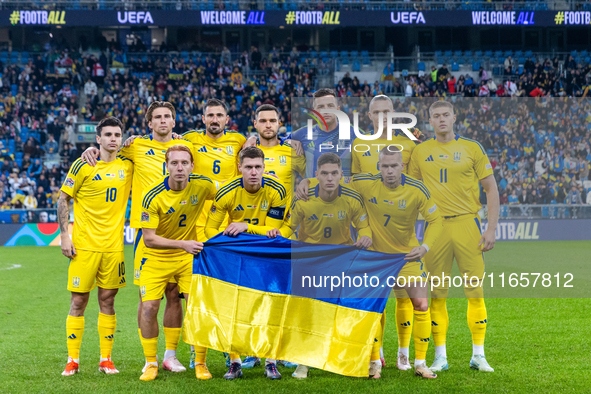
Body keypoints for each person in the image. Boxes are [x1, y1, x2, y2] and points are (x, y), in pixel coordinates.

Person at [82, 101, 195, 374]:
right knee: (148, 301)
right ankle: (150, 359)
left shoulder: (184, 148)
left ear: (174, 120)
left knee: (174, 296)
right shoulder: (134, 146)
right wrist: (90, 148)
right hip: (149, 235)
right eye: (158, 117)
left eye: (168, 116)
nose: (163, 121)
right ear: (149, 123)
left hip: (181, 233)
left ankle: (170, 355)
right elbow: (108, 150)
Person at [407, 100, 499, 373]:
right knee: (438, 294)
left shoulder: (472, 148)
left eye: (446, 114)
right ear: (430, 121)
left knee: (475, 291)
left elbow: (491, 190)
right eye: (436, 115)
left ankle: (478, 355)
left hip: (467, 225)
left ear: (454, 117)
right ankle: (440, 356)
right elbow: (412, 194)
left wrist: (491, 228)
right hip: (434, 229)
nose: (442, 119)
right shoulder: (420, 152)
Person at [351, 146, 442, 379]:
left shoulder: (417, 188)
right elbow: (330, 180)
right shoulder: (364, 182)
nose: (390, 171)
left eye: (394, 166)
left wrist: (424, 247)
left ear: (402, 166)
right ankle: (374, 363)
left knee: (421, 304)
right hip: (375, 258)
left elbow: (436, 220)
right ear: (379, 167)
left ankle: (419, 363)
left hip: (407, 258)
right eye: (385, 166)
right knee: (374, 309)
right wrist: (305, 183)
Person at [58, 117, 133, 376]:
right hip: (84, 246)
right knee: (78, 301)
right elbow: (63, 199)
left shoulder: (129, 164)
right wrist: (65, 236)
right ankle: (73, 360)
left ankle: (106, 360)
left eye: (117, 134)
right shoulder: (83, 165)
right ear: (97, 139)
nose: (113, 138)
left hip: (113, 248)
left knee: (108, 301)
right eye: (108, 134)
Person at [204, 146, 288, 380]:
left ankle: (271, 362)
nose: (253, 172)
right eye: (248, 167)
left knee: (271, 307)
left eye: (258, 167)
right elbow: (210, 229)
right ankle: (235, 362)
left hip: (266, 255)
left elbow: (274, 231)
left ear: (264, 168)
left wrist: (244, 227)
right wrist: (232, 240)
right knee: (233, 309)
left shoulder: (277, 190)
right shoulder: (226, 192)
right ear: (239, 167)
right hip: (238, 256)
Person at [289, 152, 372, 379]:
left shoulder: (352, 198)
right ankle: (302, 362)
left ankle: (342, 357)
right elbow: (288, 228)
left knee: (341, 312)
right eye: (324, 173)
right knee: (308, 312)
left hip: (340, 263)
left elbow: (364, 227)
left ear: (341, 175)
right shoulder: (304, 198)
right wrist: (276, 238)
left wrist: (365, 236)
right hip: (308, 263)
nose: (329, 178)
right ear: (316, 175)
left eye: (334, 173)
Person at [138, 145, 217, 381]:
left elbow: (229, 194)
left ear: (192, 166)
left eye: (184, 163)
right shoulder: (152, 196)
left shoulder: (203, 184)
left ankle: (200, 363)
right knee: (150, 307)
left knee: (196, 307)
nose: (179, 167)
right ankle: (151, 363)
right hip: (156, 257)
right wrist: (183, 243)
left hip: (186, 258)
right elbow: (149, 239)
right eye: (174, 163)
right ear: (166, 166)